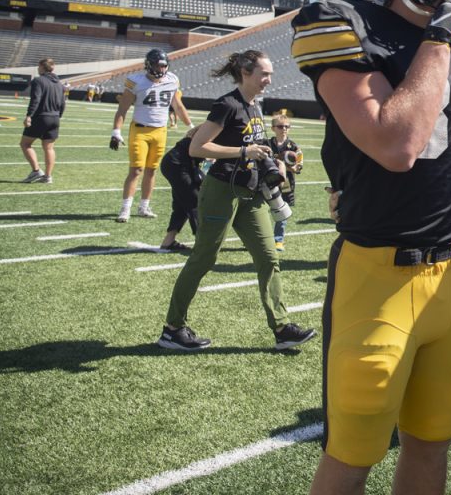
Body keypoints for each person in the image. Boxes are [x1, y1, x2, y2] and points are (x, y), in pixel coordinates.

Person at [291, 0, 451, 495]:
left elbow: (445, 125)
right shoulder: (342, 20)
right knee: (351, 456)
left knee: (432, 446)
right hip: (378, 277)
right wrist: (436, 37)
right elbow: (395, 143)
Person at [157, 50, 315, 353]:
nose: (269, 79)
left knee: (269, 257)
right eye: (264, 74)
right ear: (245, 71)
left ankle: (281, 328)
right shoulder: (227, 104)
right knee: (204, 258)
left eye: (270, 74)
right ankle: (173, 328)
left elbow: (251, 144)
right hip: (221, 191)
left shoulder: (254, 105)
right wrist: (244, 153)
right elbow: (197, 148)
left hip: (250, 194)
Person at [111, 49, 192, 222]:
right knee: (136, 170)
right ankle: (125, 208)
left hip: (160, 131)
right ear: (148, 65)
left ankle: (144, 206)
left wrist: (190, 126)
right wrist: (116, 131)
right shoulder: (135, 81)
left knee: (151, 170)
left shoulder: (172, 80)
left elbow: (178, 106)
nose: (161, 69)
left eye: (163, 65)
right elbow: (123, 108)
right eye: (157, 65)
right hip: (140, 130)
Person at [157, 126, 205, 252]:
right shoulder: (218, 126)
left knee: (182, 202)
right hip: (178, 164)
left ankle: (168, 241)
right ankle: (202, 243)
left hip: (180, 163)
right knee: (195, 200)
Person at [19, 58, 65, 185]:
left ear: (42, 67)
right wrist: (58, 116)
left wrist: (29, 115)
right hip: (55, 118)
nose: (37, 69)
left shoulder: (38, 81)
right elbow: (62, 103)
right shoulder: (60, 84)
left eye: (38, 67)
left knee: (25, 144)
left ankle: (36, 171)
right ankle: (48, 176)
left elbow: (36, 99)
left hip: (41, 117)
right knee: (49, 148)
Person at [266, 114, 303, 251]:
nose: (284, 129)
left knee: (281, 212)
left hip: (286, 184)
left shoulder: (293, 147)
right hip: (267, 183)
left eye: (287, 126)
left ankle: (278, 240)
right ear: (273, 128)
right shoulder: (267, 143)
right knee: (262, 210)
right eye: (280, 126)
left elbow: (298, 167)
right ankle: (260, 238)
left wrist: (287, 165)